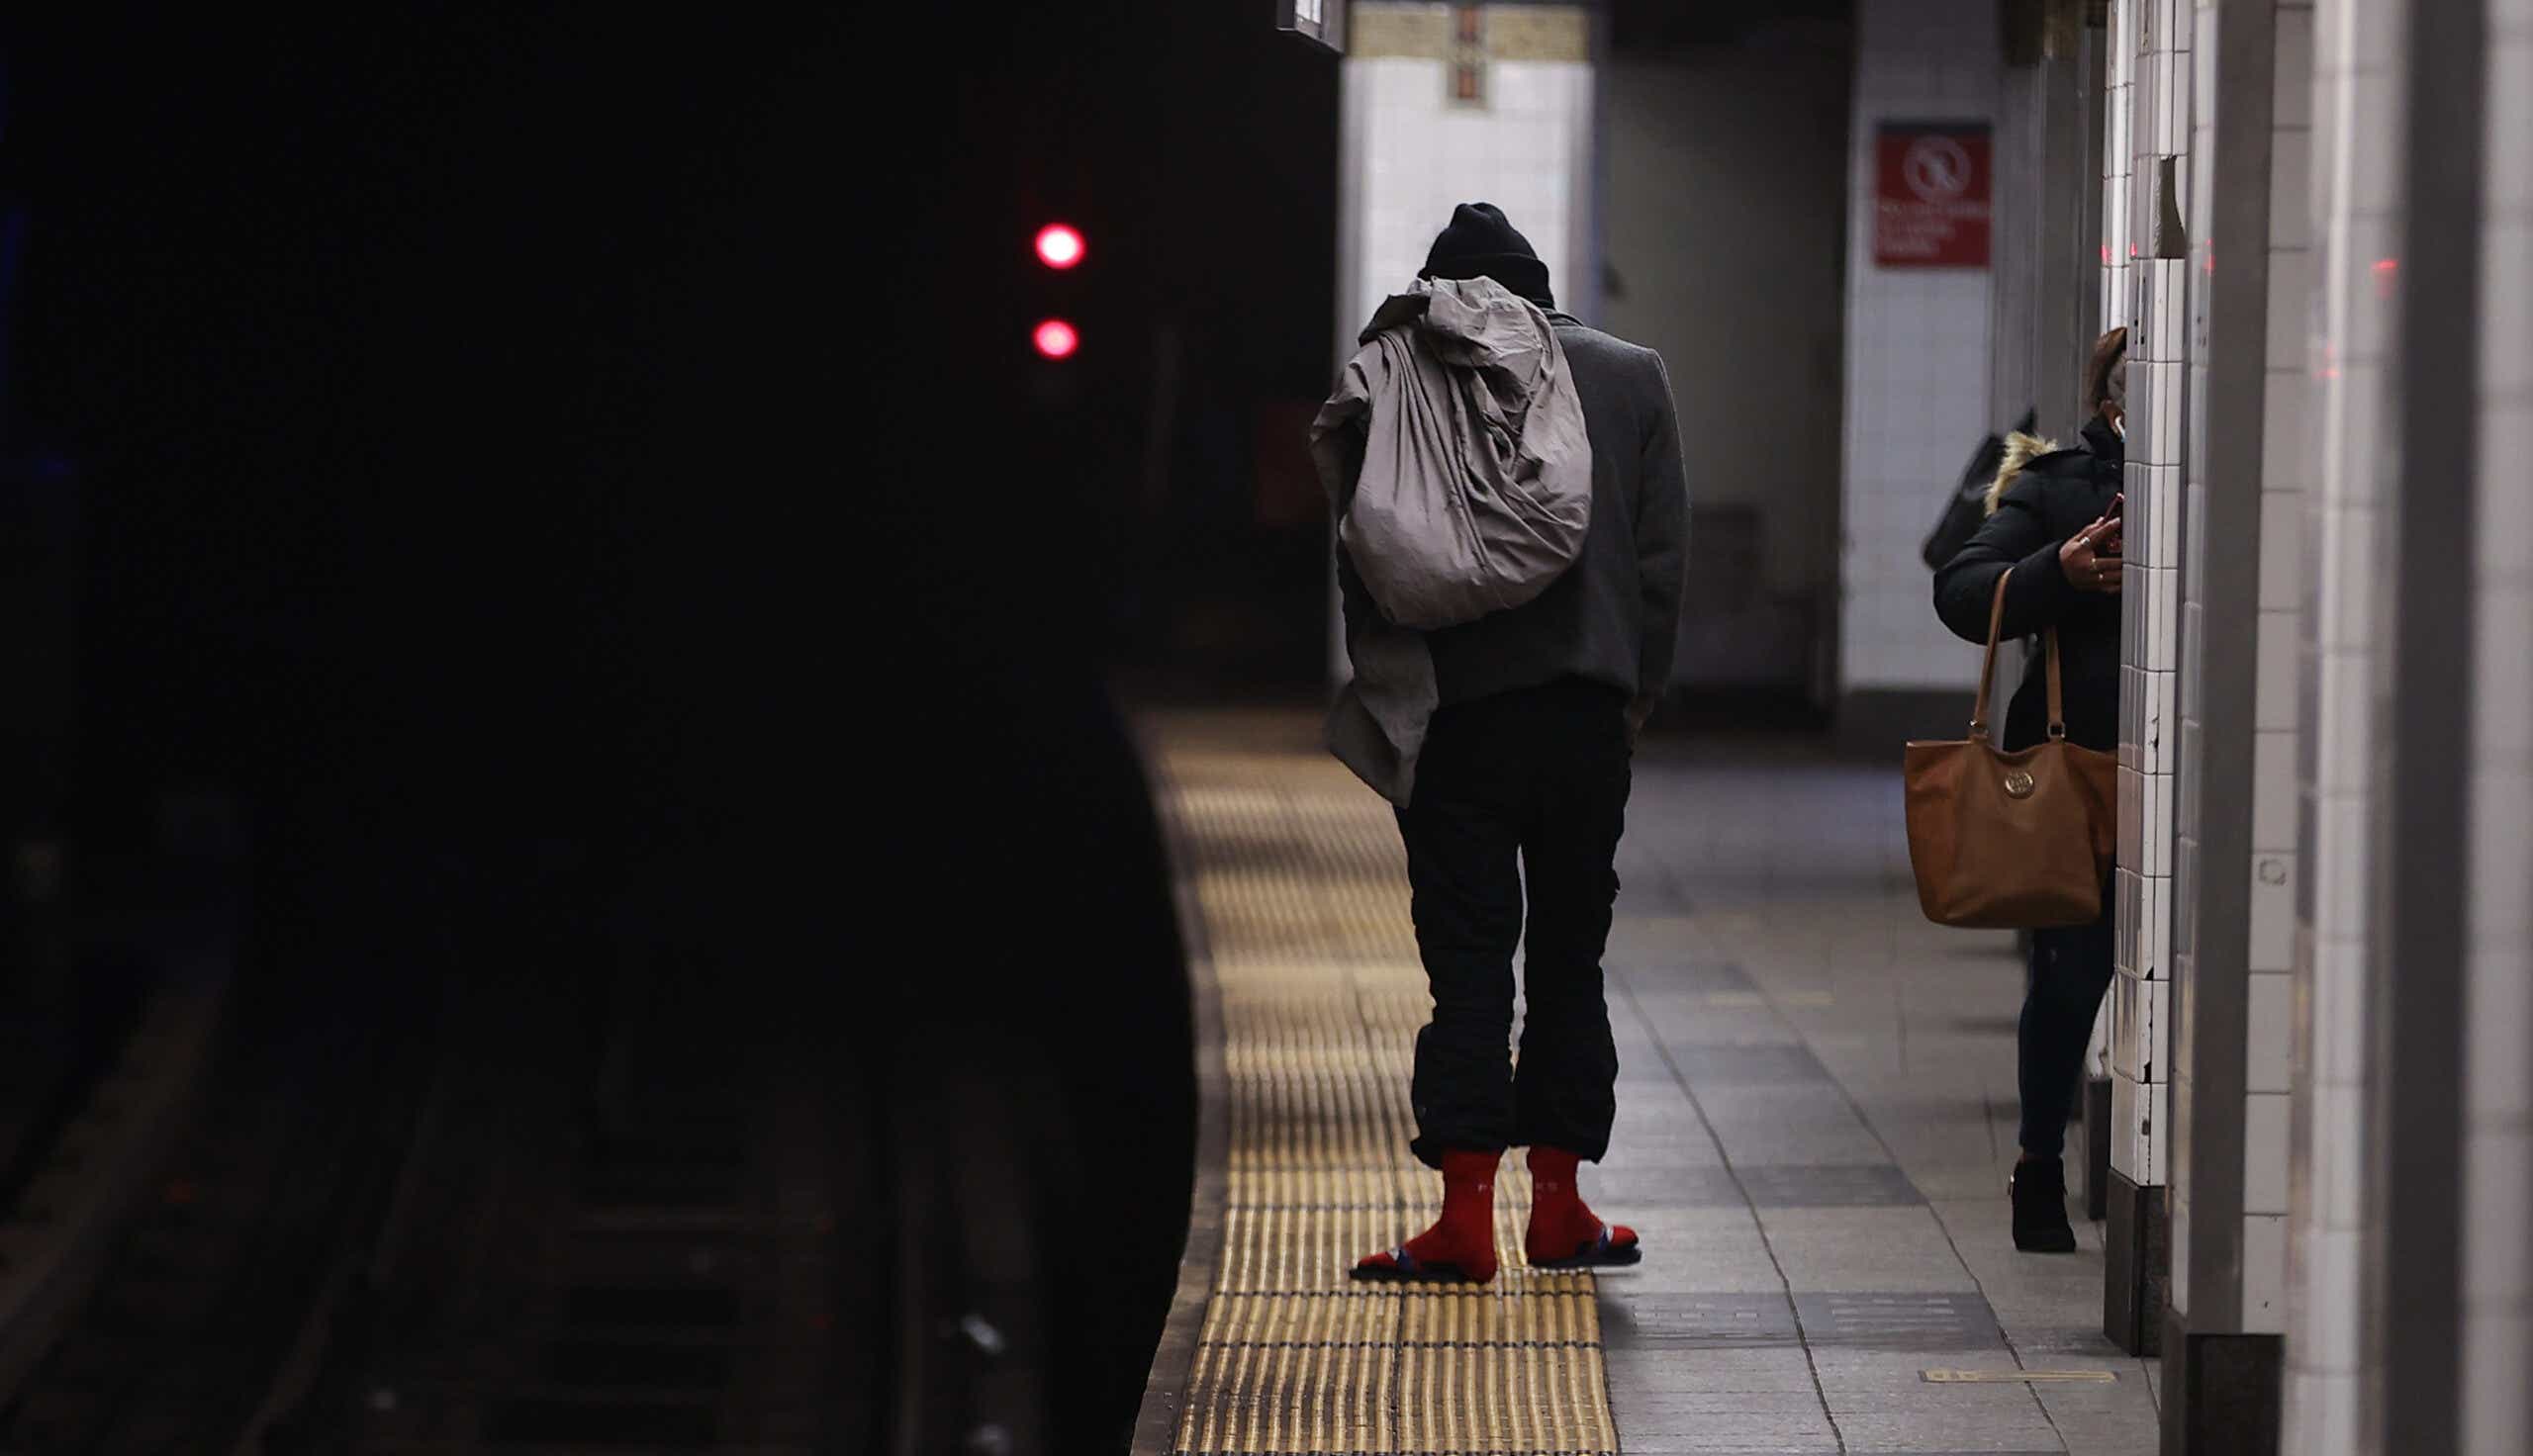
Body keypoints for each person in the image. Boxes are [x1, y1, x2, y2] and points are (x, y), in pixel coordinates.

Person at [1337, 203, 1688, 1284]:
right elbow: (1661, 564)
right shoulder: (1629, 373)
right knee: (1570, 956)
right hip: (1584, 718)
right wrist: (1631, 697)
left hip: (1455, 718)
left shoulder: (1397, 370)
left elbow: (1362, 551)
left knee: (1468, 961)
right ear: (1540, 290)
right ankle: (1561, 1208)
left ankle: (1460, 1217)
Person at [1932, 325, 2128, 1252]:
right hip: (2075, 771)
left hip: (2195, 784)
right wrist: (2061, 569)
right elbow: (1964, 590)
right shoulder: (2057, 487)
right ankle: (2041, 1163)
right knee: (2070, 977)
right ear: (2111, 406)